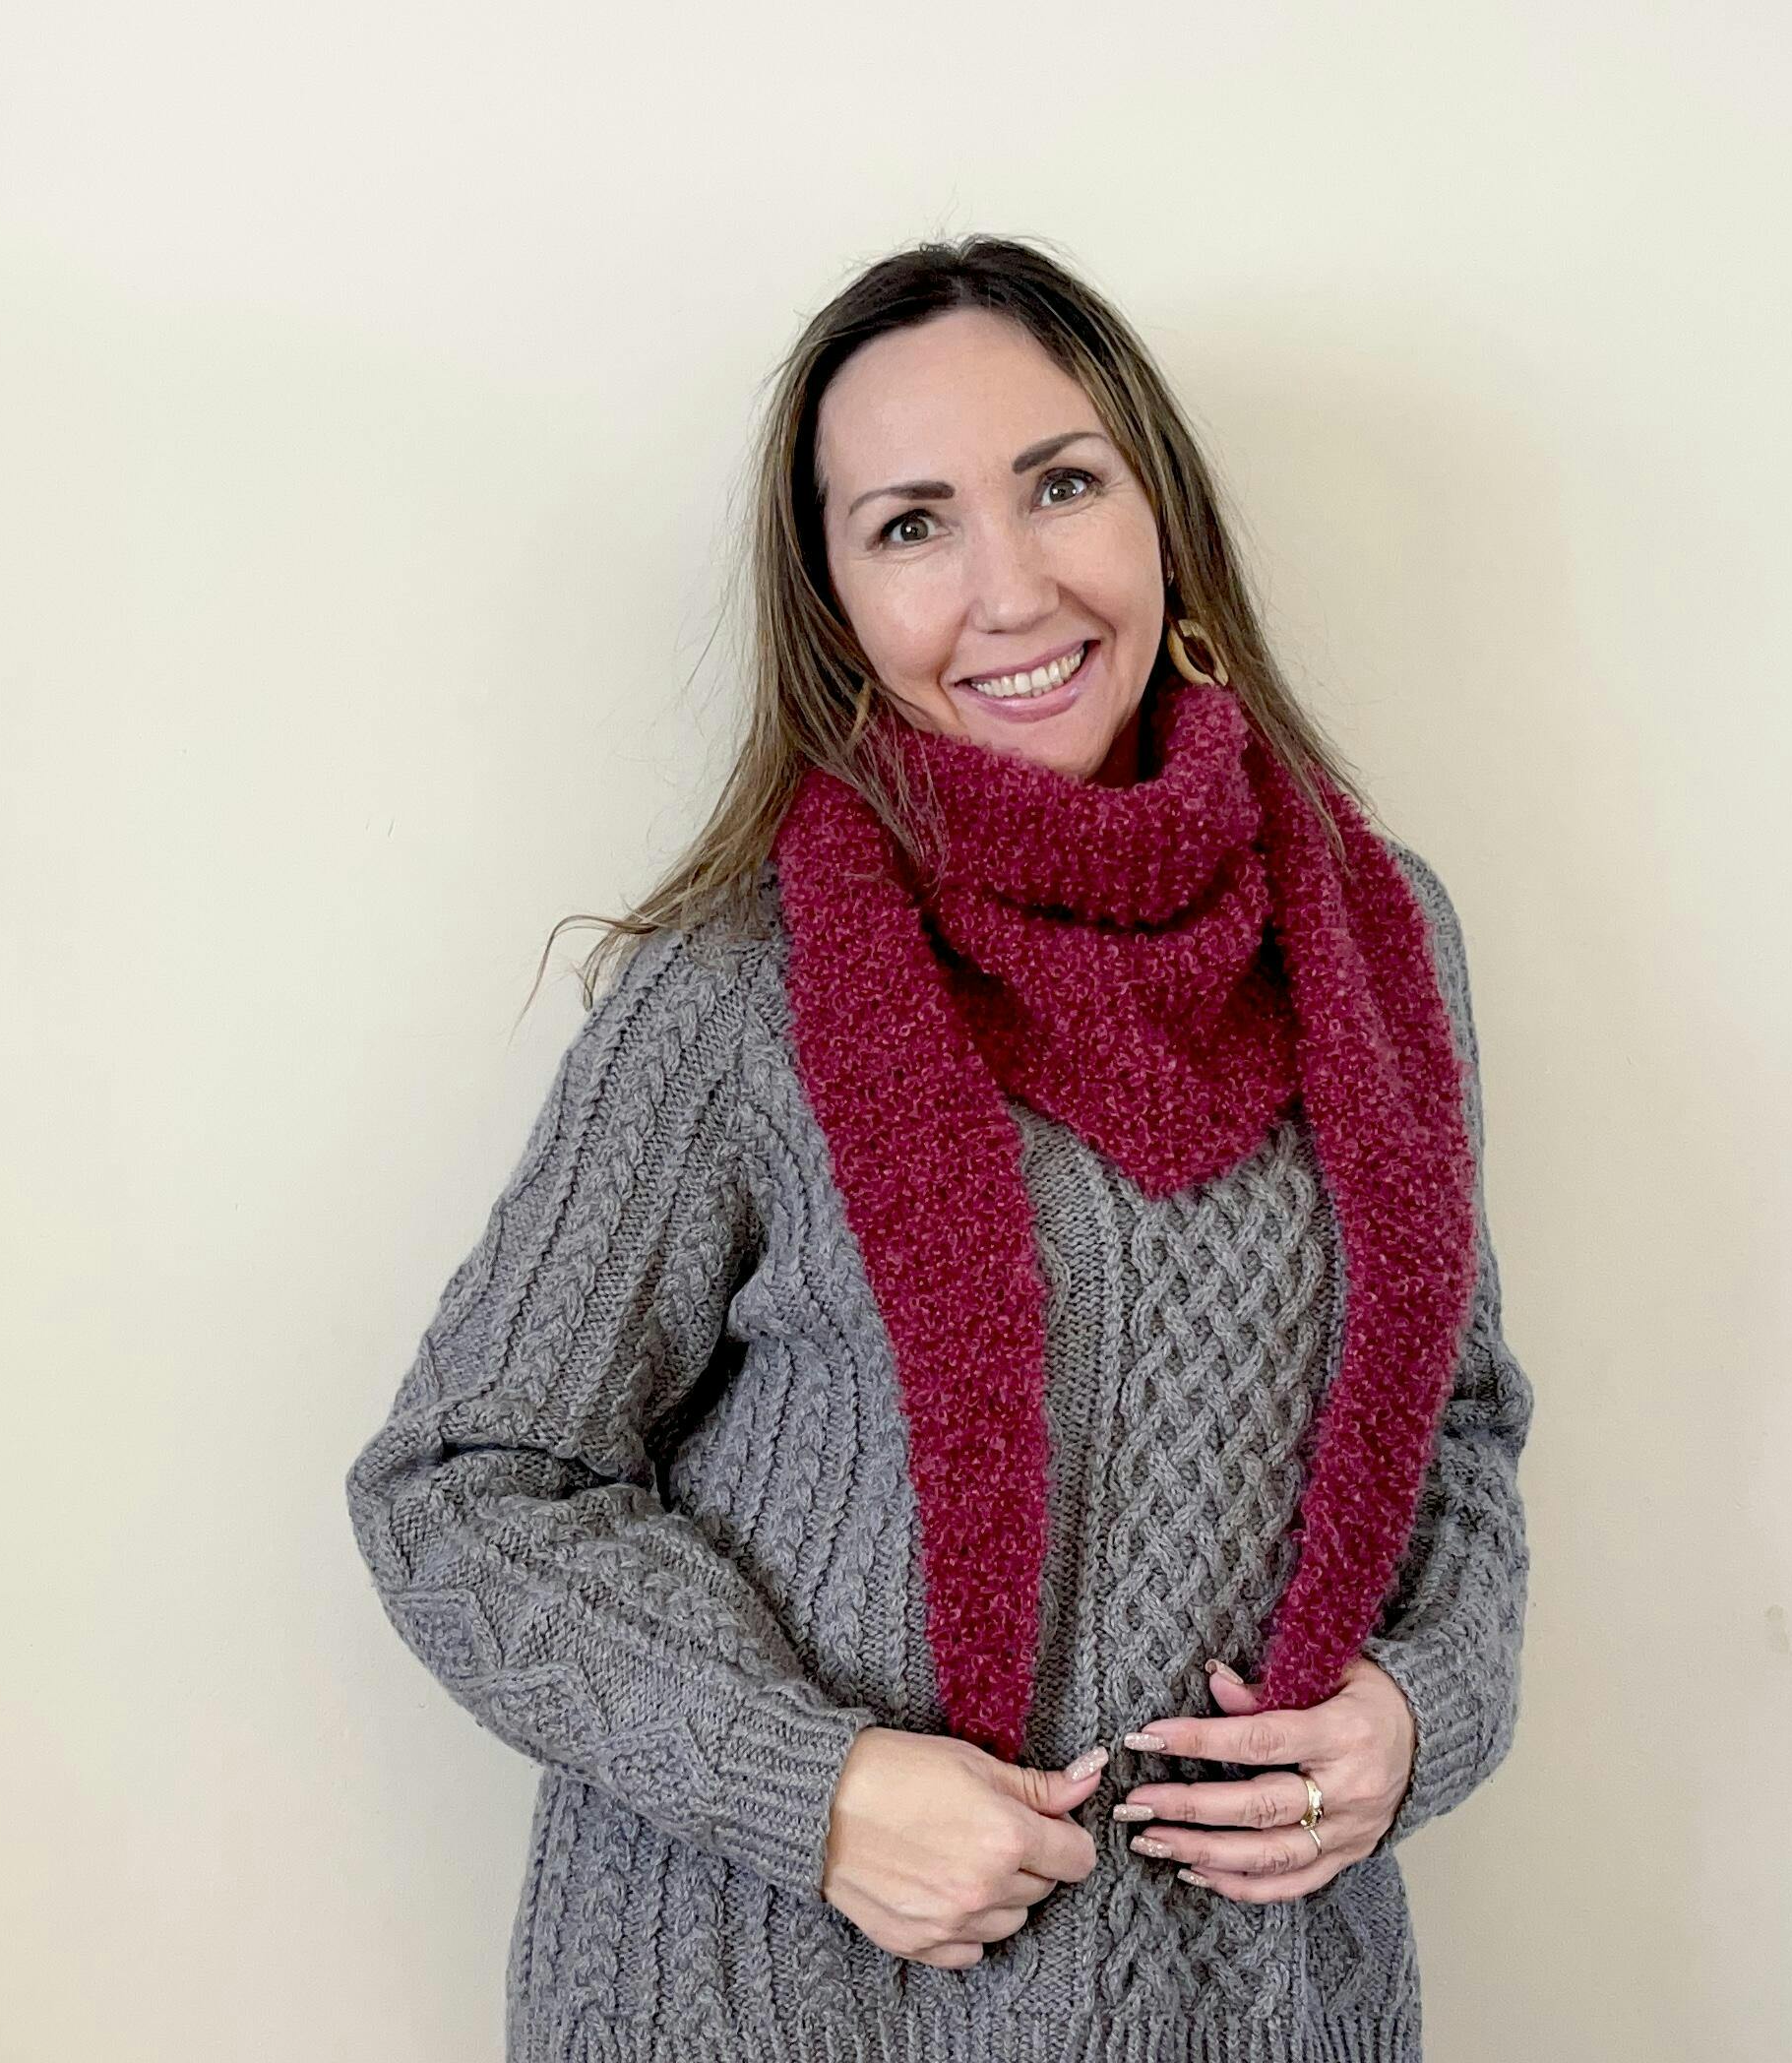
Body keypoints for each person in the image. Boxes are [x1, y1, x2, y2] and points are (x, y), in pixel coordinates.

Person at [344, 232, 1535, 2063]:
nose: (1011, 588)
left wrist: (1416, 1711)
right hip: (777, 2000)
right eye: (911, 525)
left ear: (1161, 518)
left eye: (1061, 485)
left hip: (1247, 2004)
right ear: (833, 605)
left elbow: (1452, 1419)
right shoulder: (738, 994)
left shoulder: (1375, 945)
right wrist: (810, 1784)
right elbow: (463, 1483)